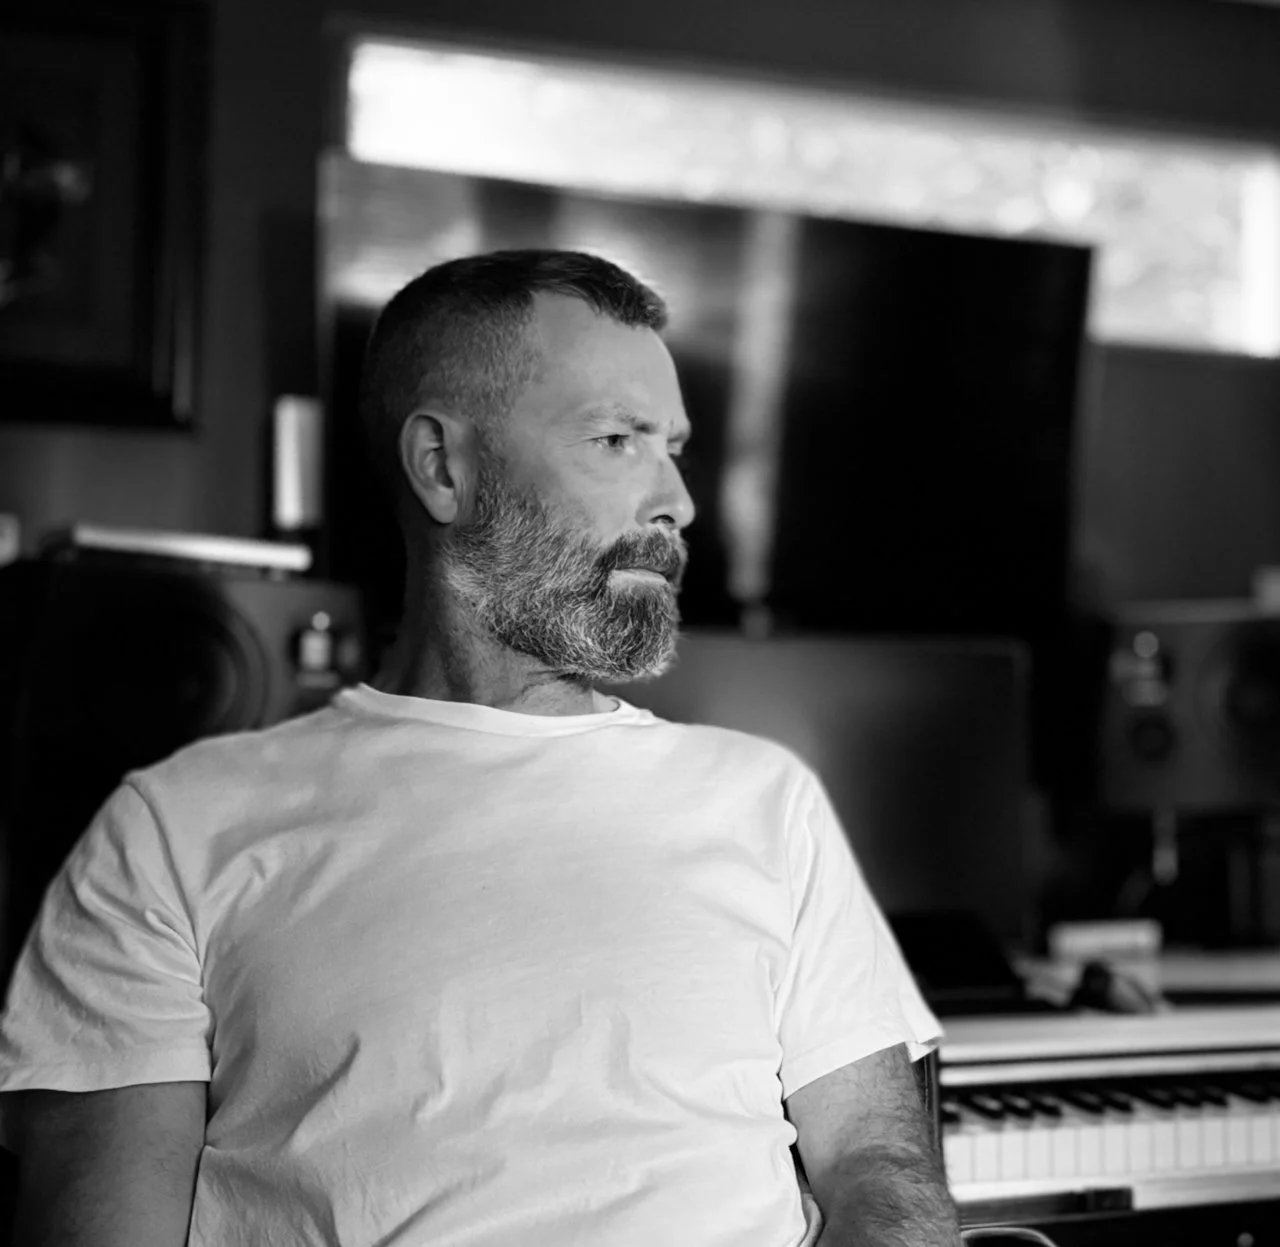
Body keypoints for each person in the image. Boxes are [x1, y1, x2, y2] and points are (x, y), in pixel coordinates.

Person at [0, 249, 960, 1246]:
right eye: (616, 439)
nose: (675, 501)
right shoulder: (173, 829)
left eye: (671, 445)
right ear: (443, 466)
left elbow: (875, 1167)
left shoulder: (765, 799)